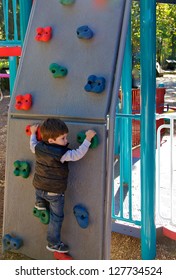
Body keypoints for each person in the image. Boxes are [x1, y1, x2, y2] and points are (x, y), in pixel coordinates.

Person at [30, 118, 96, 254]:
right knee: (56, 217)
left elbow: (32, 144)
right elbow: (77, 154)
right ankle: (53, 243)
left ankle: (39, 203)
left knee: (41, 192)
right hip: (54, 192)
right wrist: (88, 139)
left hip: (38, 187)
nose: (66, 141)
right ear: (51, 141)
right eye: (63, 138)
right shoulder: (61, 154)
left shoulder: (38, 148)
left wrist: (32, 133)